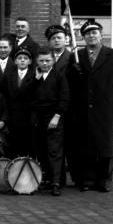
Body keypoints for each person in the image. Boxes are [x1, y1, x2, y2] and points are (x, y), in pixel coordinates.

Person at [66, 20, 113, 192]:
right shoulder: (76, 56)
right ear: (83, 37)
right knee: (85, 146)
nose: (91, 36)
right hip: (83, 109)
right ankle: (88, 179)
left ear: (101, 35)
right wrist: (73, 71)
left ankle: (104, 180)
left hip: (105, 108)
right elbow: (70, 83)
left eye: (94, 33)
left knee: (105, 146)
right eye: (87, 34)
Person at [29, 48, 69, 196]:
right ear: (36, 62)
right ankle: (46, 179)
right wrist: (35, 80)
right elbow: (26, 95)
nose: (45, 64)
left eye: (47, 60)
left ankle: (56, 183)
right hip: (37, 118)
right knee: (41, 149)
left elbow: (64, 98)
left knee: (54, 150)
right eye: (41, 61)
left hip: (53, 116)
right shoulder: (34, 76)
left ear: (53, 61)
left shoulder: (59, 76)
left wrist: (57, 116)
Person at [0, 46, 35, 158]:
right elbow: (4, 95)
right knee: (13, 147)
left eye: (25, 58)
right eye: (19, 58)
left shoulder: (35, 75)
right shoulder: (9, 75)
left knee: (28, 147)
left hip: (29, 117)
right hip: (12, 117)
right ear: (15, 61)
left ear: (30, 61)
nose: (22, 60)